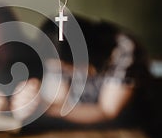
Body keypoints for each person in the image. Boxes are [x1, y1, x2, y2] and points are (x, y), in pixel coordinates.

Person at [10, 15, 150, 127]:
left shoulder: (123, 49)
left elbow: (107, 111)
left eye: (65, 67)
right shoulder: (56, 50)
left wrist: (47, 109)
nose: (63, 71)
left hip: (130, 128)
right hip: (81, 130)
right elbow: (61, 100)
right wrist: (30, 99)